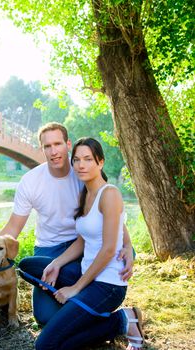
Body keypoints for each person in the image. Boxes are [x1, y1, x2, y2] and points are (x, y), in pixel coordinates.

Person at [0, 122, 134, 325]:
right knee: (44, 316)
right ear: (42, 149)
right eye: (47, 146)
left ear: (68, 144)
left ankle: (81, 292)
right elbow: (13, 227)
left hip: (84, 246)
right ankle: (79, 296)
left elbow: (110, 214)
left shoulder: (83, 171)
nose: (53, 151)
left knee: (121, 253)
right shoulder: (30, 181)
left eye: (58, 144)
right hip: (49, 249)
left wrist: (128, 245)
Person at [18, 137, 144, 350]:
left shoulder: (109, 194)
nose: (81, 165)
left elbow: (108, 250)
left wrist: (74, 289)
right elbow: (82, 240)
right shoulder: (87, 193)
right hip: (88, 274)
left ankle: (123, 320)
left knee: (46, 345)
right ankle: (76, 313)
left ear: (100, 162)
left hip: (107, 286)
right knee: (27, 266)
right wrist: (57, 263)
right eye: (76, 160)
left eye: (88, 159)